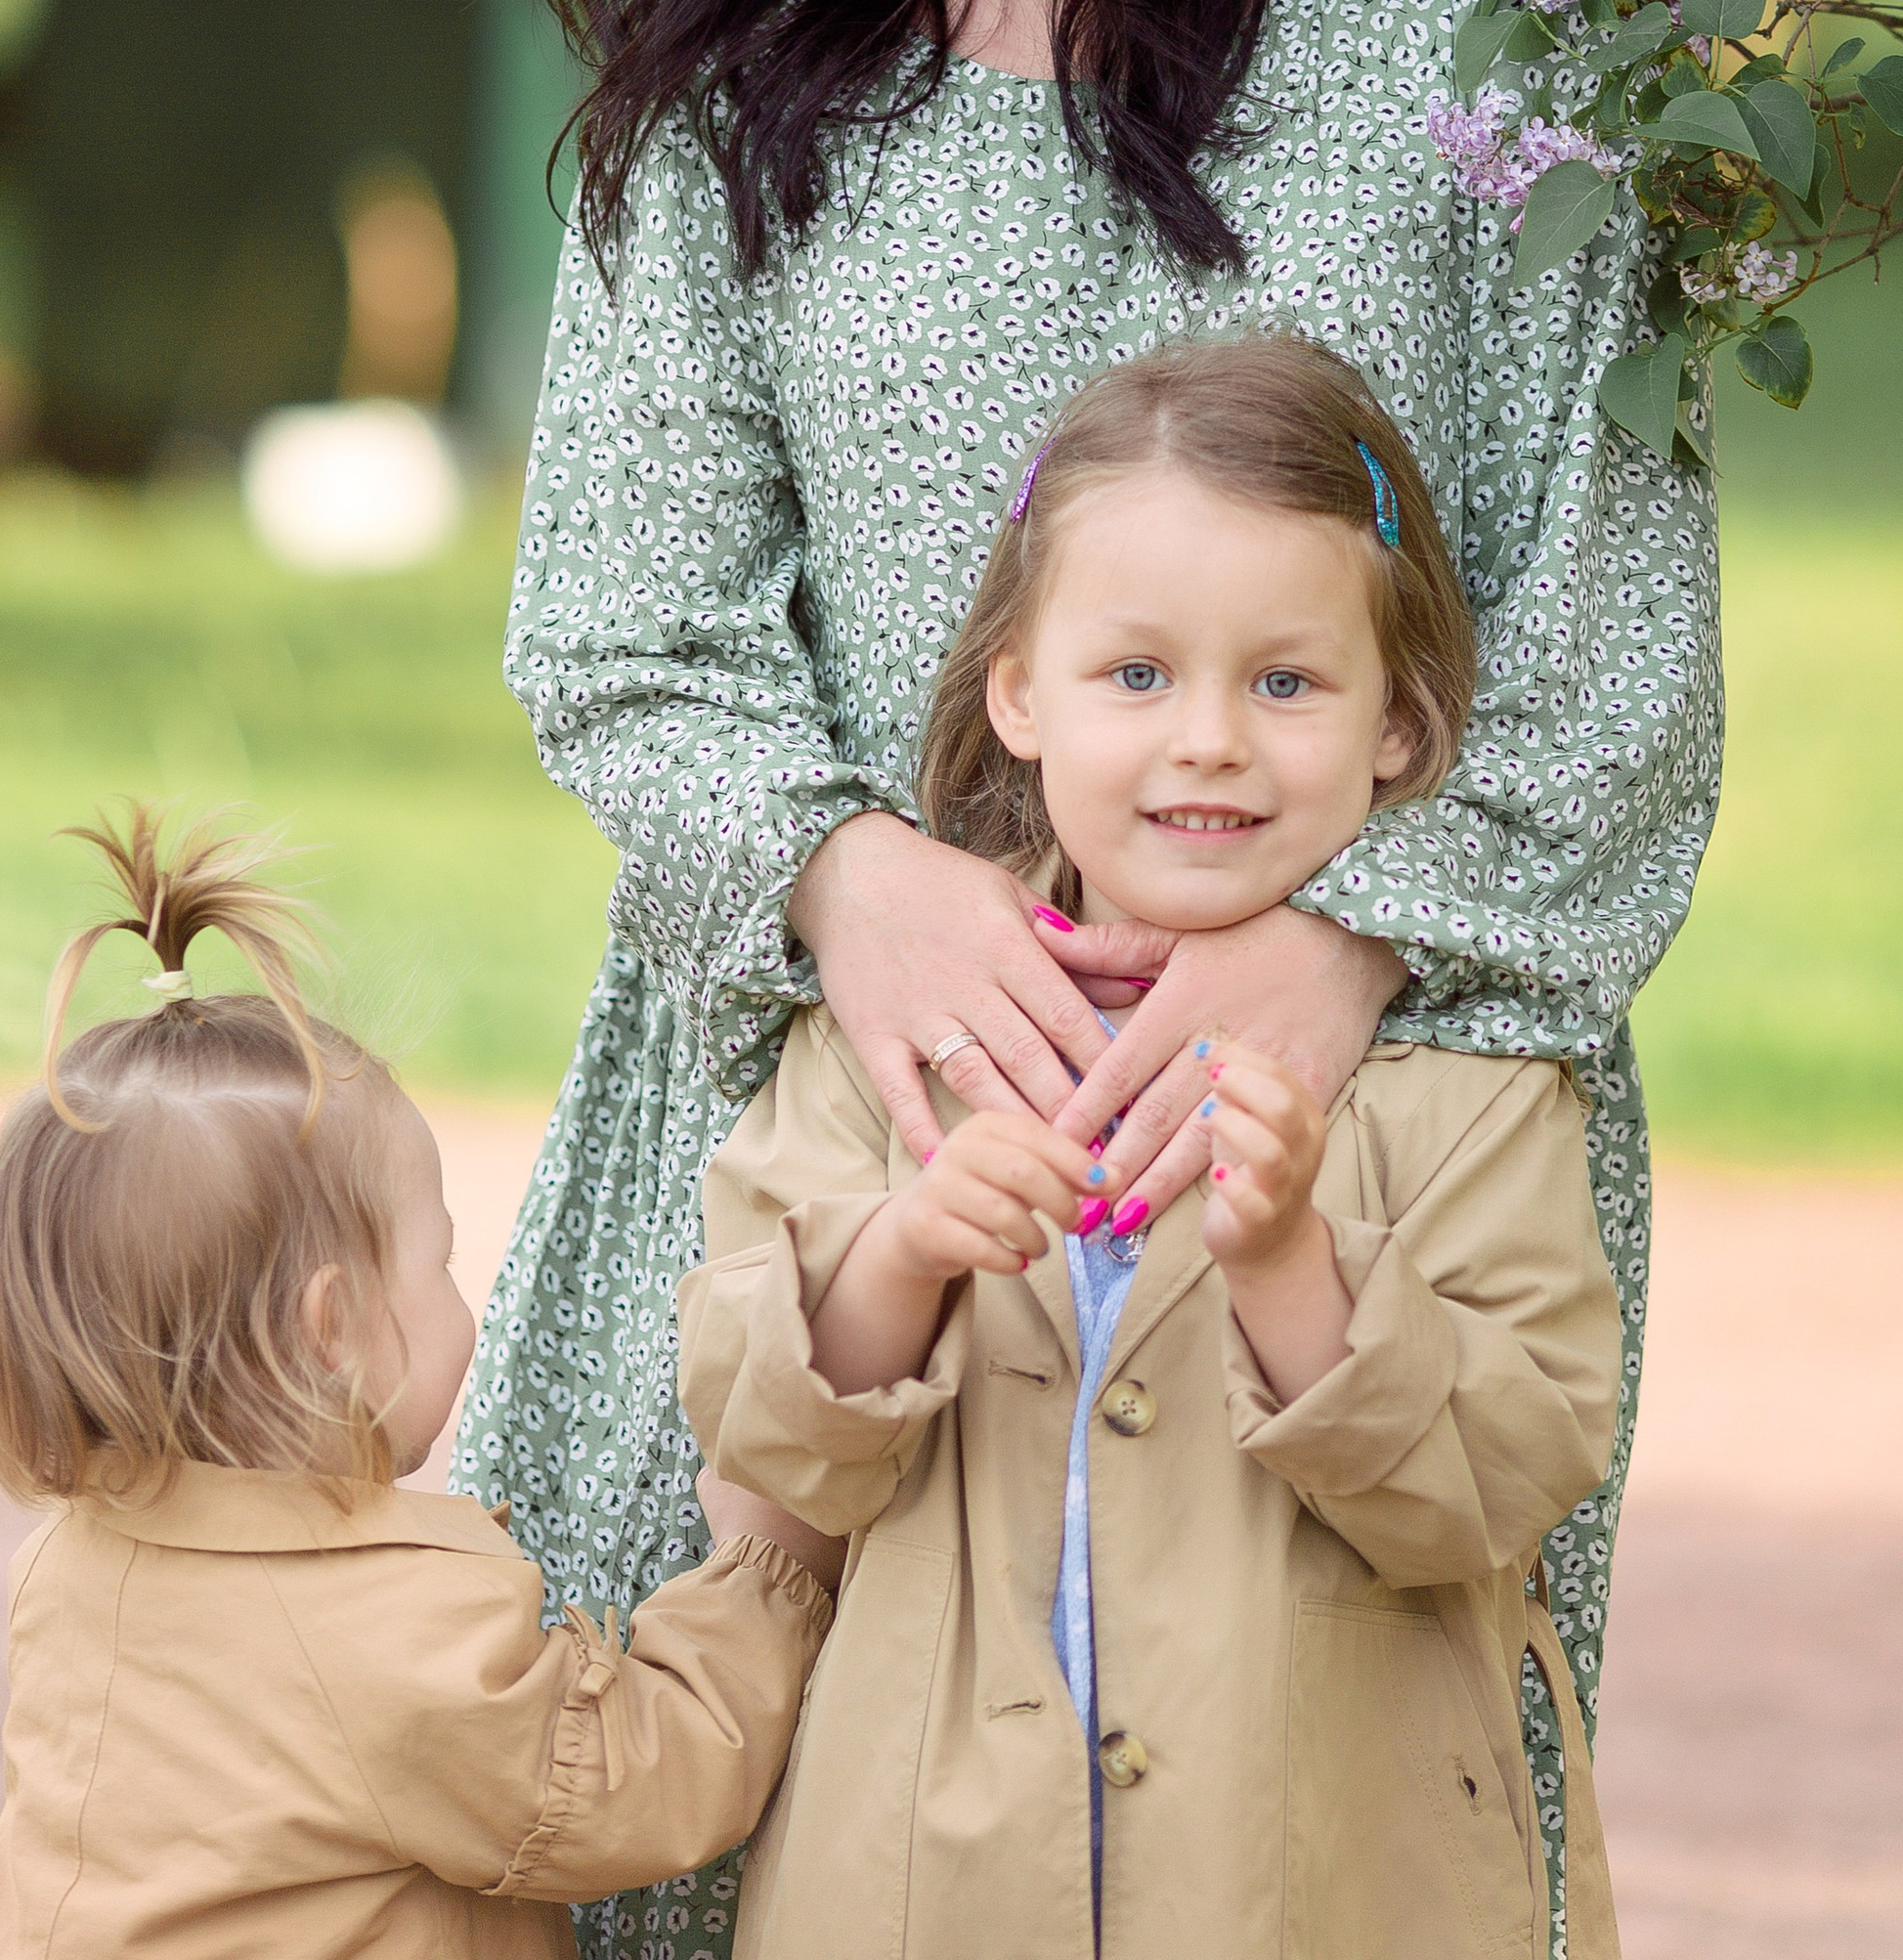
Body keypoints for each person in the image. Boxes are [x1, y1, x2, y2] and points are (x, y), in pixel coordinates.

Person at [455, 0, 1720, 1960]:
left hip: (1367, 1161)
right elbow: (624, 638)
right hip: (843, 1166)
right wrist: (858, 891)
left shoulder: (1482, 31)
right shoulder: (739, 90)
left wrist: (1335, 959)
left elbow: (1611, 649)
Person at [680, 333, 1623, 1960]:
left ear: (1397, 725)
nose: (1210, 740)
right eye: (1137, 676)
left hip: (1313, 1891)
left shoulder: (1471, 1087)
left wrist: (1292, 1268)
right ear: (1020, 696)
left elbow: (1502, 1484)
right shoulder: (896, 1050)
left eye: (1286, 683)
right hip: (926, 1894)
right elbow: (759, 1431)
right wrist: (903, 1252)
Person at [0, 809, 839, 1960]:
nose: (457, 1298)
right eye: (438, 1264)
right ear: (332, 1330)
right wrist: (766, 1567)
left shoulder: (68, 1566)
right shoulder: (397, 1629)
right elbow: (638, 1787)